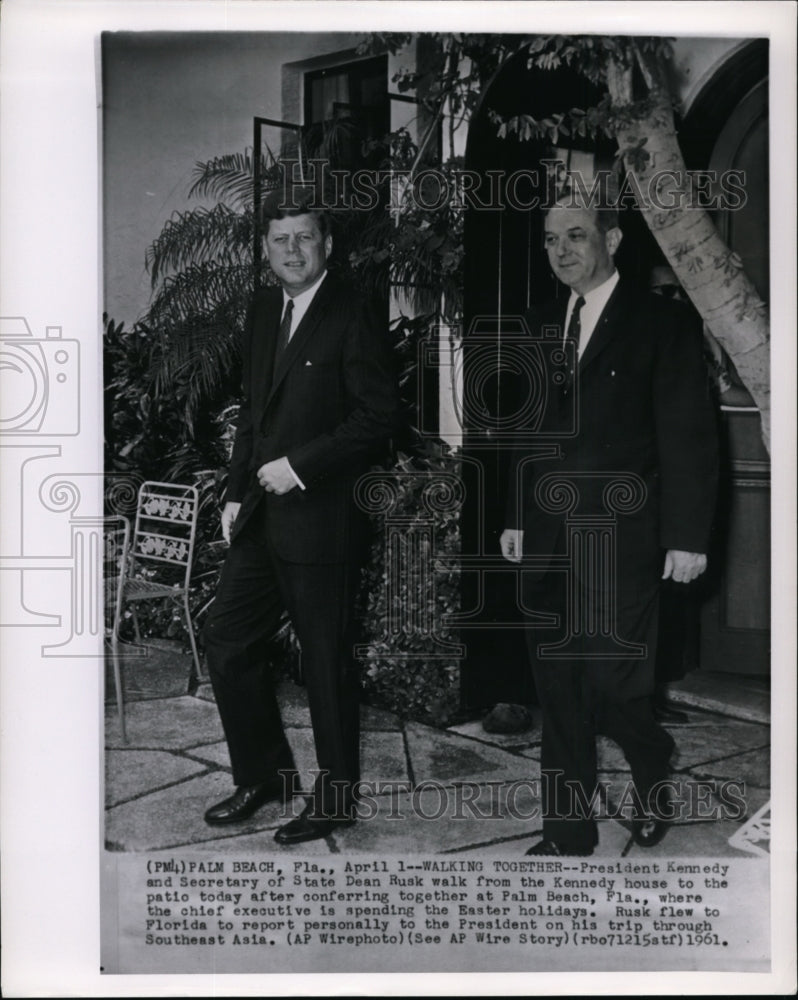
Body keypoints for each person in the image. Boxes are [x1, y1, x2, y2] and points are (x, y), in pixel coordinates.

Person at [500, 195, 718, 856]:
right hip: (545, 537)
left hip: (621, 540)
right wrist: (515, 517)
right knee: (558, 687)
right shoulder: (542, 324)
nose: (561, 250)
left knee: (614, 684)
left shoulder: (661, 323)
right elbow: (527, 434)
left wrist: (687, 537)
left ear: (613, 238)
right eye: (550, 240)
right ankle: (567, 829)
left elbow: (688, 436)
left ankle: (653, 767)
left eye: (575, 235)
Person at [202, 186, 401, 845]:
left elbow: (379, 418)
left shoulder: (354, 311)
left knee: (323, 661)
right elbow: (254, 413)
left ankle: (336, 797)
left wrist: (302, 465)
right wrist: (236, 491)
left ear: (327, 245)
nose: (293, 250)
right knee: (229, 640)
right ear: (266, 251)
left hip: (322, 519)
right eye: (281, 240)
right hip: (261, 515)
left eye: (305, 238)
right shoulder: (264, 309)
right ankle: (264, 776)